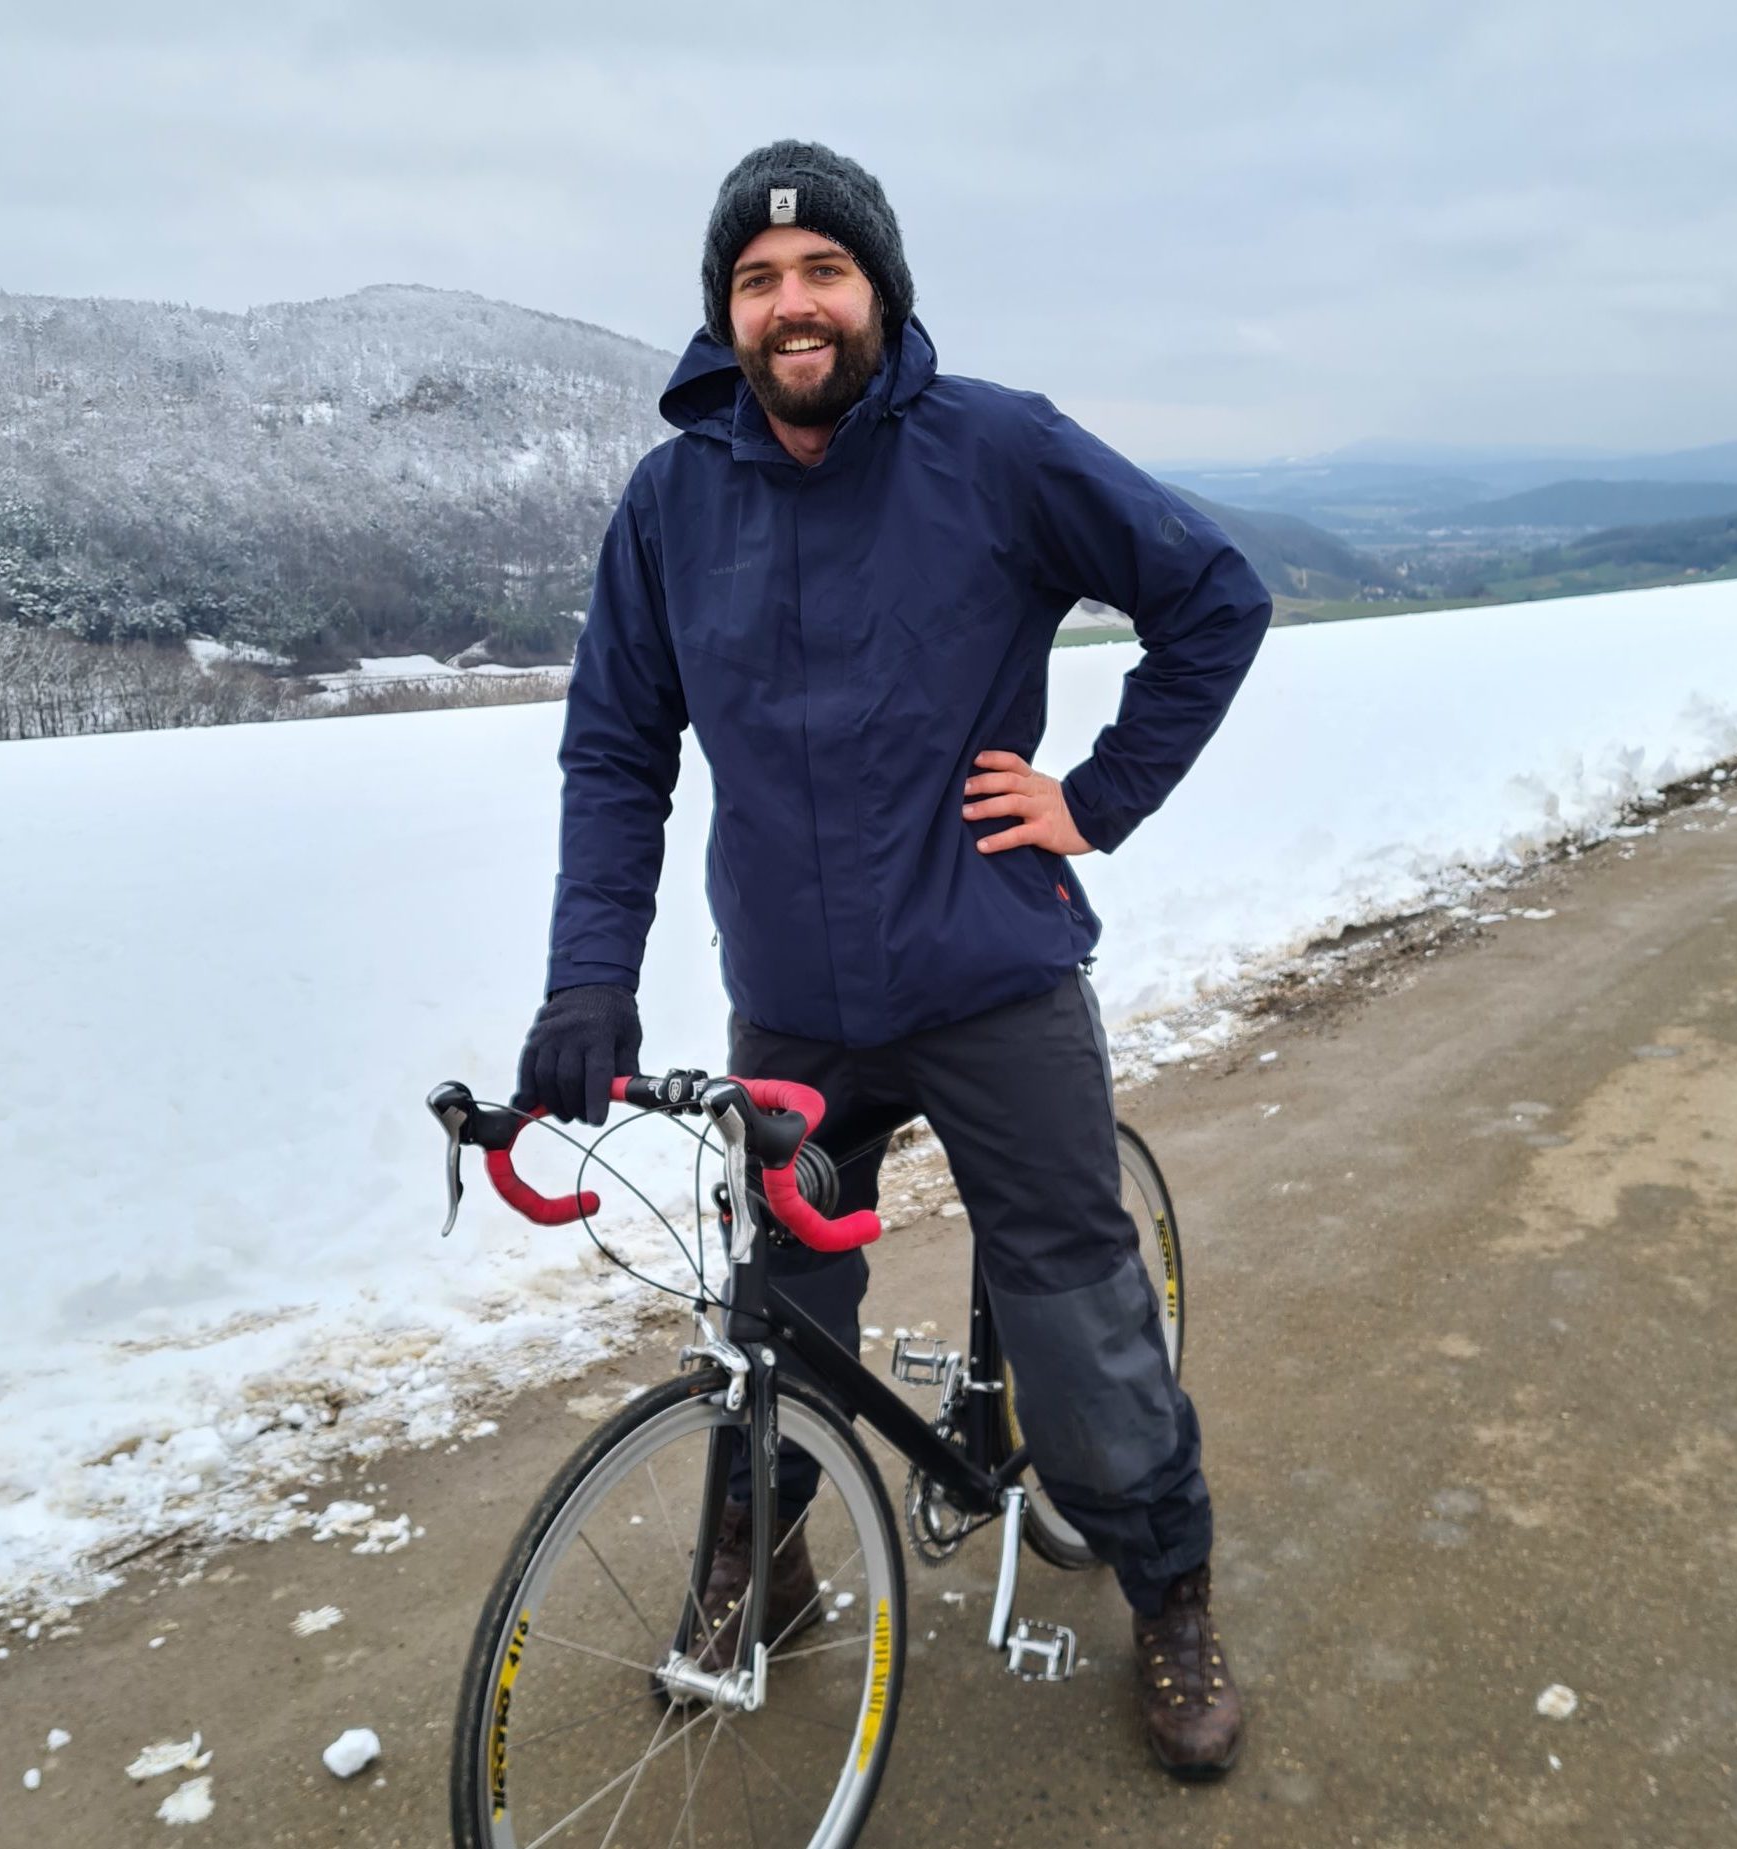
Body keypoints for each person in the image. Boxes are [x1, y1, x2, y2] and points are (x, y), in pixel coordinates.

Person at [515, 139, 1272, 1779]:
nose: (792, 305)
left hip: (988, 971)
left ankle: (1168, 1581)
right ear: (725, 315)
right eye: (756, 280)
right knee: (774, 1315)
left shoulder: (990, 449)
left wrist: (1095, 799)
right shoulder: (673, 501)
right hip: (793, 1001)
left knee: (1073, 1307)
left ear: (878, 289)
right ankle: (762, 1561)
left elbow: (1211, 595)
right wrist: (591, 976)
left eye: (821, 272)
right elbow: (614, 751)